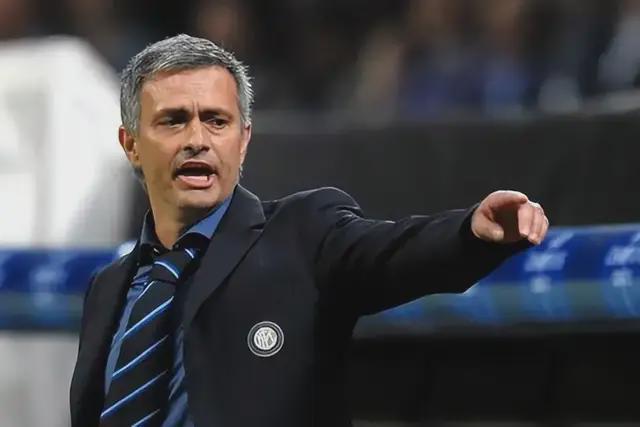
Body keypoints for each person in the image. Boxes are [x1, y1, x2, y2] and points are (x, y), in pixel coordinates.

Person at [69, 34, 549, 427]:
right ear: (131, 144)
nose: (198, 139)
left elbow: (391, 251)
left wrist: (469, 233)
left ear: (244, 140)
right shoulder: (108, 290)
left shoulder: (303, 235)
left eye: (217, 121)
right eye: (174, 121)